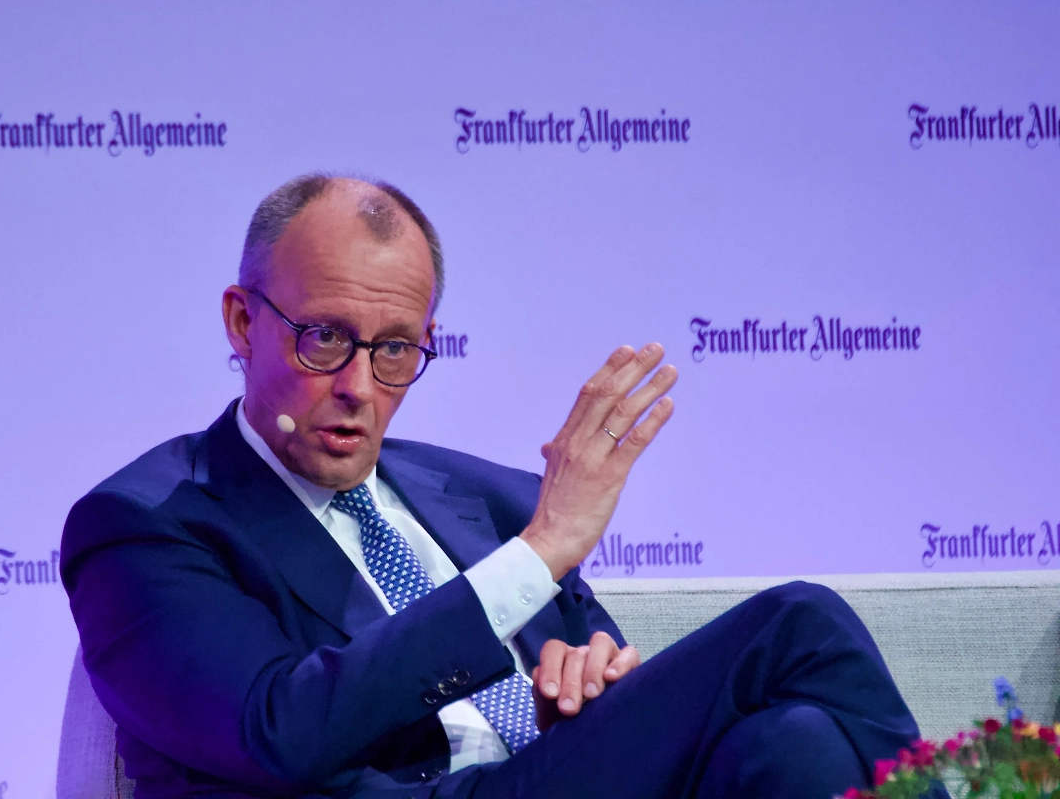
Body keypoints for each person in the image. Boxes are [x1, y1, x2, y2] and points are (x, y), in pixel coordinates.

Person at [61, 173, 923, 799]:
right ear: (243, 322)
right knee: (797, 624)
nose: (358, 386)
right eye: (324, 338)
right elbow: (275, 729)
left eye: (395, 349)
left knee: (797, 744)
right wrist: (537, 556)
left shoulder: (492, 498)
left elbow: (600, 701)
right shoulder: (145, 525)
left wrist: (587, 688)